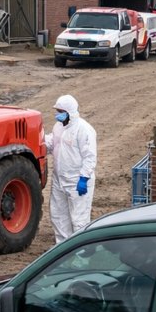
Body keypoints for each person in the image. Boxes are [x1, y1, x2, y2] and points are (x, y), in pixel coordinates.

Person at [44, 94, 97, 243]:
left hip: (77, 181)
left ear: (70, 112)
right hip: (59, 179)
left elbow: (90, 156)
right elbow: (53, 145)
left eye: (61, 111)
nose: (58, 115)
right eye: (57, 111)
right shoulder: (58, 127)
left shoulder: (84, 129)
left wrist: (84, 178)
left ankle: (81, 254)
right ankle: (63, 250)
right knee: (58, 216)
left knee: (79, 220)